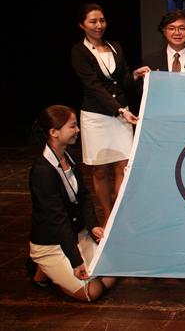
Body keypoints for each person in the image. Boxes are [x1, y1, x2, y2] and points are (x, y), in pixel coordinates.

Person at [28, 105, 117, 301]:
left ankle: (55, 270)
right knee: (93, 292)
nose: (77, 130)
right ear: (54, 132)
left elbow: (83, 196)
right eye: (72, 126)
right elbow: (57, 219)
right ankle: (43, 266)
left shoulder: (69, 155)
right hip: (52, 242)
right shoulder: (43, 171)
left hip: (77, 234)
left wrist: (92, 226)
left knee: (110, 277)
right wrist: (75, 261)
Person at [71, 3, 150, 223]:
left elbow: (122, 81)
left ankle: (120, 216)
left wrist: (134, 75)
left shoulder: (115, 46)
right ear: (82, 25)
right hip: (96, 117)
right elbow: (93, 86)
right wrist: (119, 110)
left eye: (102, 20)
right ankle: (107, 214)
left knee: (123, 167)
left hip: (121, 115)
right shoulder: (78, 51)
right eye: (93, 21)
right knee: (100, 171)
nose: (99, 25)